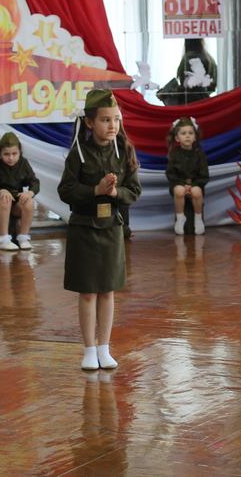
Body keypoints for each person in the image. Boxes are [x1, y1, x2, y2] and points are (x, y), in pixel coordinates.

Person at [58, 90, 141, 370]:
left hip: (111, 229)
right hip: (84, 229)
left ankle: (104, 348)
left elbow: (134, 190)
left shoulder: (124, 150)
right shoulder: (78, 153)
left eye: (116, 119)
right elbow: (65, 190)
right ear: (90, 122)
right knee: (87, 292)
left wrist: (116, 193)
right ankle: (89, 349)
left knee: (107, 290)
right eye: (105, 120)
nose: (112, 125)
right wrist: (95, 190)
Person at [0, 131, 40, 252]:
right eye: (6, 154)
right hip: (0, 203)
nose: (11, 158)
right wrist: (1, 191)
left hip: (16, 203)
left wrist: (29, 193)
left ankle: (23, 237)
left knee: (29, 202)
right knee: (5, 199)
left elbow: (35, 182)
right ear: (0, 152)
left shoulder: (24, 163)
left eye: (14, 154)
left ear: (20, 151)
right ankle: (4, 239)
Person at [165, 116, 210, 235]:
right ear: (177, 138)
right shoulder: (174, 154)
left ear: (195, 137)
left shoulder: (200, 154)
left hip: (196, 184)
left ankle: (198, 218)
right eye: (183, 133)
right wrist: (182, 185)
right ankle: (180, 218)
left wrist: (193, 185)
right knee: (179, 191)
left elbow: (204, 174)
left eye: (190, 133)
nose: (187, 136)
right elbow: (170, 173)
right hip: (178, 184)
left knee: (196, 192)